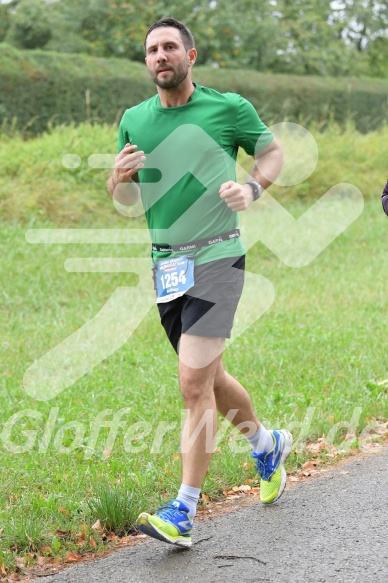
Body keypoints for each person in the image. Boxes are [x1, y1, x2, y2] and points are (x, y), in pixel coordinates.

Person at [107, 17, 292, 548]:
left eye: (169, 47)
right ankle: (266, 444)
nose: (160, 56)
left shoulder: (227, 108)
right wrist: (117, 180)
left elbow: (272, 151)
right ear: (147, 62)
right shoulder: (134, 120)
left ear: (190, 54)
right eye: (151, 50)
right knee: (209, 379)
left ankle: (184, 511)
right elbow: (127, 202)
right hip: (166, 265)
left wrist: (254, 188)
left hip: (218, 256)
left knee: (191, 384)